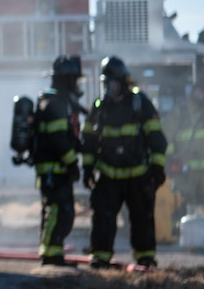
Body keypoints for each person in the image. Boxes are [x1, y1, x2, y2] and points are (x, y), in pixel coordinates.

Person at [81, 56, 167, 270]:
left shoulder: (140, 103)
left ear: (122, 82)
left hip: (137, 174)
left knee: (141, 218)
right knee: (103, 217)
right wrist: (87, 168)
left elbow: (156, 138)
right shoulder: (99, 107)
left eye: (110, 83)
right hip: (109, 174)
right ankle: (100, 257)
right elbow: (89, 141)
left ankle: (145, 259)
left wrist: (157, 167)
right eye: (104, 83)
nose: (107, 88)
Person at [30, 55, 85, 266]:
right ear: (67, 79)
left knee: (62, 212)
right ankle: (50, 255)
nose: (77, 84)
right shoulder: (54, 103)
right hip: (54, 169)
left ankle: (54, 253)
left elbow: (68, 137)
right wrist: (73, 163)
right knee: (57, 211)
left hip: (57, 169)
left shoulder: (60, 102)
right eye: (74, 79)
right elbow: (59, 139)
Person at [169, 83, 204, 212]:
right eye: (199, 91)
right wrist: (173, 158)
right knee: (184, 208)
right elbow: (167, 136)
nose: (200, 95)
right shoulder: (181, 111)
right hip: (185, 174)